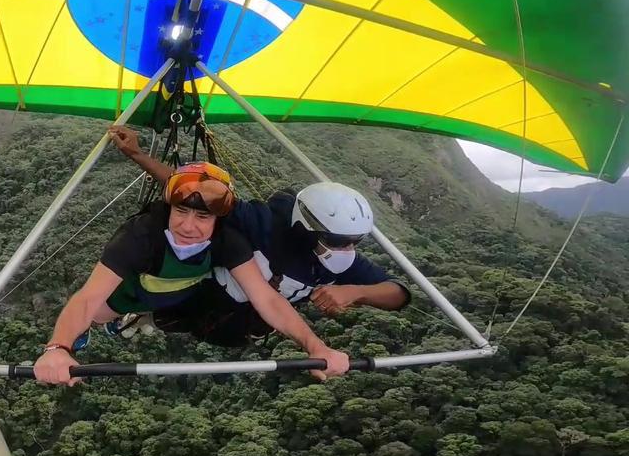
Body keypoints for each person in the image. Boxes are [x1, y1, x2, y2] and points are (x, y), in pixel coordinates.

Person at [33, 162, 350, 385]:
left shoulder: (228, 241)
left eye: (202, 217)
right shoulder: (141, 235)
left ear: (218, 220)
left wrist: (315, 346)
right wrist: (58, 347)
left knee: (193, 310)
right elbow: (88, 297)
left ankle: (139, 318)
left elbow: (267, 299)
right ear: (169, 207)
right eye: (181, 211)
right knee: (97, 314)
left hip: (180, 294)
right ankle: (93, 328)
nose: (188, 226)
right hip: (133, 293)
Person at [108, 125, 410, 346]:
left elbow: (397, 293)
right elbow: (196, 192)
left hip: (241, 327)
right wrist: (136, 154)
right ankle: (137, 313)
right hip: (201, 301)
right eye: (337, 241)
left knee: (205, 326)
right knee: (172, 301)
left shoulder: (345, 261)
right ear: (306, 228)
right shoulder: (265, 222)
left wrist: (356, 291)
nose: (346, 249)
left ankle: (147, 318)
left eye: (354, 242)